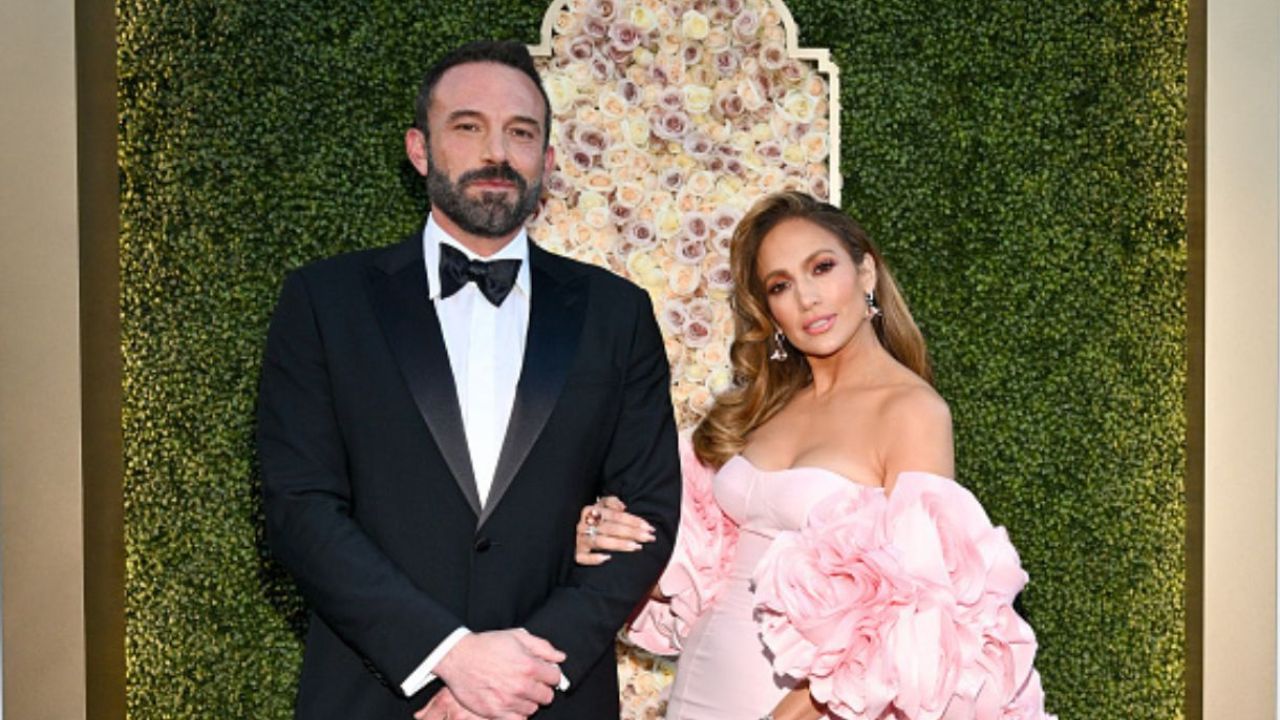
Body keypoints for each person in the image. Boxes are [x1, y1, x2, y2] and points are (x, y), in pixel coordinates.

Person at [257, 40, 680, 720]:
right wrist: (448, 657)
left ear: (546, 161)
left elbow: (648, 516)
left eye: (521, 132)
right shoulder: (324, 302)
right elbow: (300, 509)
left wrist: (519, 672)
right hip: (374, 696)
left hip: (551, 699)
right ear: (420, 149)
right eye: (467, 126)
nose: (497, 152)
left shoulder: (616, 313)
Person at [577, 191, 1052, 719]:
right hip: (701, 682)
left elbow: (918, 615)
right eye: (781, 285)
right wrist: (607, 531)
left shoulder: (911, 411)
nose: (806, 298)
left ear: (866, 272)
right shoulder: (760, 406)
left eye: (821, 267)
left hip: (803, 707)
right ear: (770, 310)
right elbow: (695, 554)